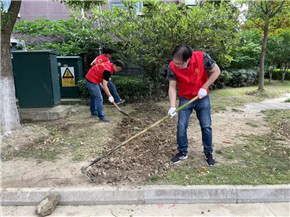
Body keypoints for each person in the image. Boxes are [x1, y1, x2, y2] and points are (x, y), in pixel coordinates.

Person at [166, 44, 221, 166]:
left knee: (206, 126)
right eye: (175, 62)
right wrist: (172, 106)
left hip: (202, 97)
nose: (176, 65)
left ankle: (208, 152)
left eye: (180, 63)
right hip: (185, 98)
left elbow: (216, 71)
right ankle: (182, 151)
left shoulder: (202, 57)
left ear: (188, 59)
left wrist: (204, 87)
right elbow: (172, 87)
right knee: (181, 126)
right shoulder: (172, 66)